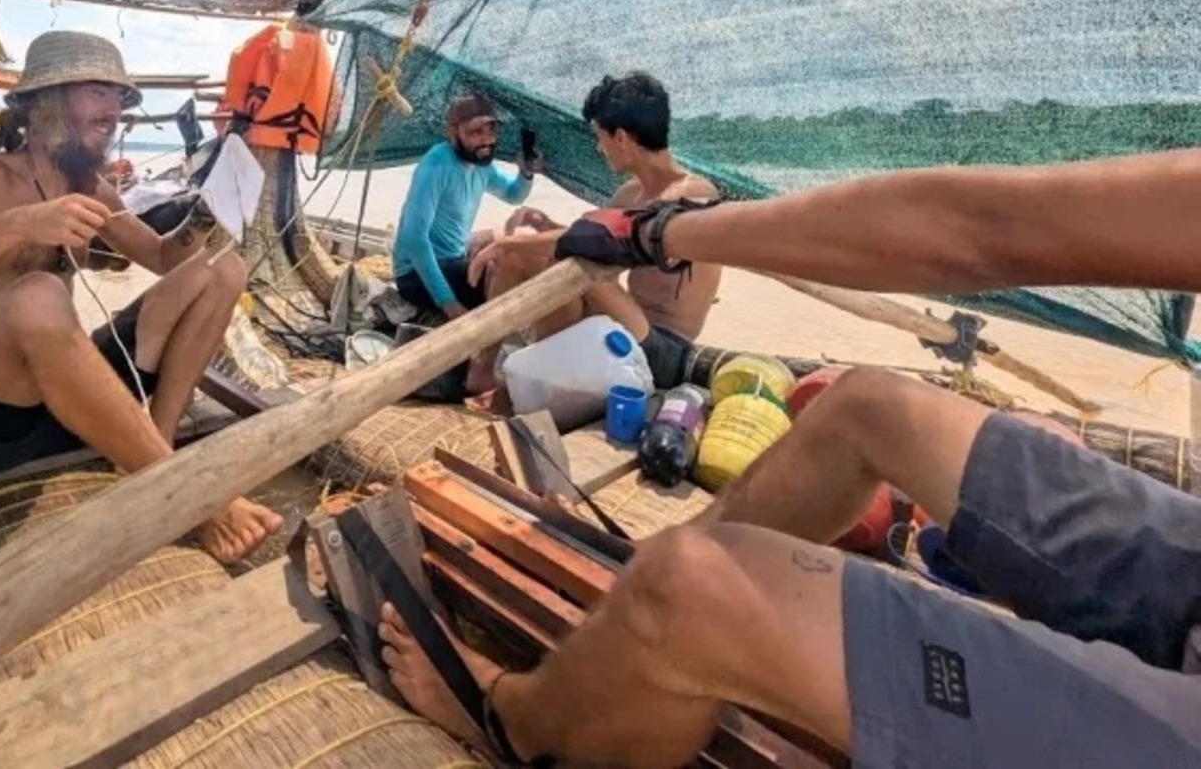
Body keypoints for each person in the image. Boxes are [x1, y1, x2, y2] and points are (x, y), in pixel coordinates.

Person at [379, 150, 1201, 766]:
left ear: (613, 138)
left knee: (694, 585)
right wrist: (652, 232)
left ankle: (509, 722)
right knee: (870, 406)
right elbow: (975, 226)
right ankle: (643, 616)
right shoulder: (648, 190)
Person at [0, 31, 282, 565]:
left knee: (221, 269)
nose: (114, 109)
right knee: (38, 295)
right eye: (98, 91)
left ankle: (152, 450)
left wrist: (212, 212)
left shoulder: (91, 186)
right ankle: (180, 487)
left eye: (118, 96)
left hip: (64, 409)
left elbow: (168, 260)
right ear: (45, 100)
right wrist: (20, 223)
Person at [468, 72, 720, 392]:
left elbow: (603, 240)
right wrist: (546, 227)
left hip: (662, 347)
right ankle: (483, 371)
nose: (600, 150)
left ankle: (546, 381)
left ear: (621, 138)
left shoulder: (693, 195)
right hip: (621, 317)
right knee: (518, 257)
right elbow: (592, 235)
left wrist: (507, 240)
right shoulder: (631, 194)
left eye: (600, 138)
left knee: (556, 255)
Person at [391, 92, 537, 395]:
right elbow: (414, 239)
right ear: (452, 132)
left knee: (521, 245)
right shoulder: (436, 163)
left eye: (490, 130)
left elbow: (513, 195)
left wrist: (526, 173)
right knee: (502, 264)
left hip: (454, 260)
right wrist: (449, 304)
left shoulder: (483, 165)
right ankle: (482, 367)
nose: (485, 140)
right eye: (474, 132)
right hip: (415, 274)